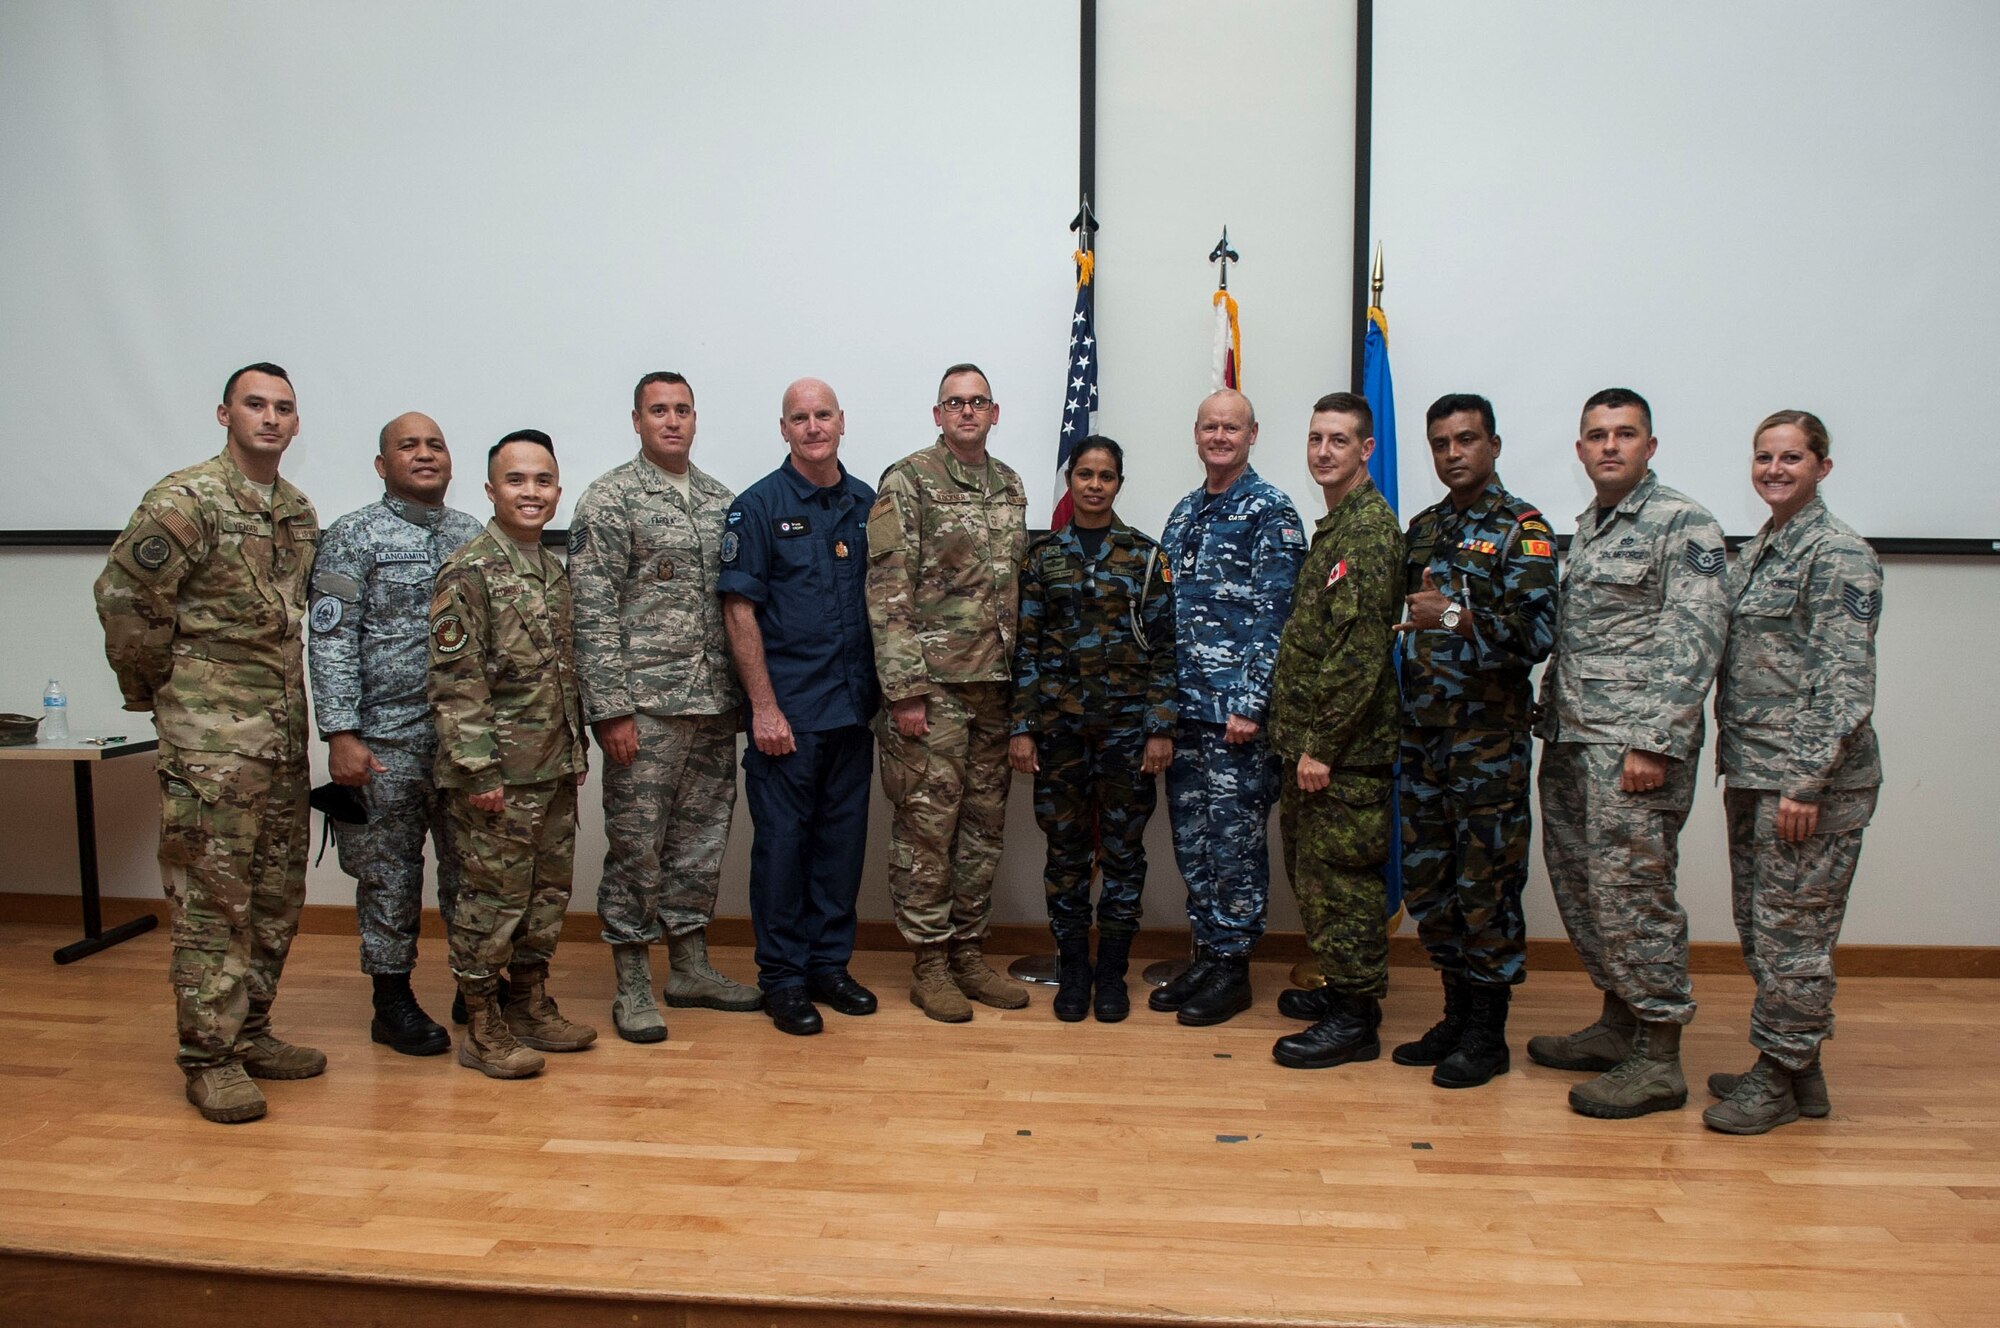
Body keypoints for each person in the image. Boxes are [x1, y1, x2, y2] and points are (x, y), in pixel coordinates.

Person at [95, 362, 323, 1123]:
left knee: (274, 896)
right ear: (224, 413)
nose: (269, 417)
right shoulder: (187, 499)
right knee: (211, 902)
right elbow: (125, 597)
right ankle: (208, 1058)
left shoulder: (295, 511)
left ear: (296, 424)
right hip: (209, 746)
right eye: (255, 404)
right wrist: (160, 693)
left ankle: (251, 1031)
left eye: (283, 408)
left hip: (281, 737)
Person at [1532, 388, 1727, 1119]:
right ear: (1580, 449)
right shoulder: (1588, 529)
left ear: (1650, 445)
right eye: (1596, 435)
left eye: (1625, 434)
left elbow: (1695, 638)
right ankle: (1618, 1025)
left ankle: (1658, 1057)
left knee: (1634, 896)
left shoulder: (1684, 523)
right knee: (1586, 888)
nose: (1609, 446)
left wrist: (1655, 742)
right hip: (1573, 739)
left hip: (1632, 753)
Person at [1704, 410, 1882, 1134]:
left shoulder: (1838, 554)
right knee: (1762, 928)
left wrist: (1806, 782)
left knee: (1794, 939)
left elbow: (1844, 682)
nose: (1775, 470)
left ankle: (1778, 1075)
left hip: (1808, 786)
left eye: (1792, 458)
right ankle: (1800, 1071)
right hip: (1754, 771)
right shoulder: (1765, 550)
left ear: (1822, 467)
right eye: (1764, 458)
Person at [569, 371, 756, 1044]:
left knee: (699, 846)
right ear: (637, 420)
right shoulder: (611, 499)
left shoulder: (720, 501)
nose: (671, 421)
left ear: (695, 418)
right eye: (658, 411)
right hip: (644, 708)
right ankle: (631, 980)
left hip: (711, 705)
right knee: (637, 849)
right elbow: (589, 611)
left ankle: (690, 967)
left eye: (681, 410)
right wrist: (610, 709)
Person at [1385, 394, 1557, 1088]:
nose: (1453, 453)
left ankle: (1488, 1033)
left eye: (1466, 440)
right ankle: (1456, 1013)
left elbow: (1539, 636)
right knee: (1431, 884)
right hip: (1423, 740)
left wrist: (1453, 614)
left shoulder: (1524, 530)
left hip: (1486, 745)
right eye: (1441, 443)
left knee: (1485, 886)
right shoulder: (1423, 529)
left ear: (1493, 445)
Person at [309, 412, 483, 1055]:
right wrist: (340, 733)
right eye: (407, 445)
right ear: (382, 466)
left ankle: (477, 985)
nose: (425, 453)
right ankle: (393, 1001)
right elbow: (330, 640)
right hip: (386, 740)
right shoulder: (354, 536)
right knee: (389, 875)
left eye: (436, 443)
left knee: (474, 870)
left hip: (463, 739)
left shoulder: (473, 536)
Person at [866, 362, 1031, 1022]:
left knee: (983, 832)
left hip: (996, 689)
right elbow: (887, 590)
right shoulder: (906, 481)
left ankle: (968, 952)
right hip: (933, 693)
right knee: (926, 831)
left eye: (978, 402)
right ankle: (929, 962)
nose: (966, 412)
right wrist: (905, 690)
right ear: (938, 415)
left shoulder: (1010, 485)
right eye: (954, 403)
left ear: (995, 412)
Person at [429, 430, 595, 1078]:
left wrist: (574, 753)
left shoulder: (551, 573)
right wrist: (478, 772)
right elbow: (455, 680)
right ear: (492, 490)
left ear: (557, 490)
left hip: (551, 768)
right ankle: (483, 1026)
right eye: (517, 480)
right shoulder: (468, 570)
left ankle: (529, 1004)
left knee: (545, 898)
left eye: (543, 480)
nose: (532, 492)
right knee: (491, 902)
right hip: (498, 776)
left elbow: (561, 674)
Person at [719, 379, 881, 1037]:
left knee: (840, 852)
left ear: (841, 421)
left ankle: (827, 967)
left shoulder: (868, 504)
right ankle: (783, 980)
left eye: (822, 415)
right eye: (799, 418)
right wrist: (763, 709)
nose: (813, 427)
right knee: (784, 852)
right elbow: (738, 610)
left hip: (851, 712)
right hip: (787, 716)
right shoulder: (757, 507)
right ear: (783, 429)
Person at [1151, 389, 1307, 1026]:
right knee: (1193, 841)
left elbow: (1279, 617)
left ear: (1252, 434)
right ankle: (1209, 954)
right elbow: (1161, 615)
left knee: (1235, 846)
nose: (1220, 436)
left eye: (1231, 427)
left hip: (1235, 721)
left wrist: (1250, 703)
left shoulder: (1270, 511)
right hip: (1185, 712)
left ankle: (1234, 968)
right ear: (1195, 434)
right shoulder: (1185, 512)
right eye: (1210, 426)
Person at [1009, 436, 1176, 1023]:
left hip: (1128, 735)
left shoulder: (1146, 556)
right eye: (1085, 474)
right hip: (1058, 736)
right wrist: (1023, 727)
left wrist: (1160, 728)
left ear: (1119, 484)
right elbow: (1025, 650)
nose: (1095, 485)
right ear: (1071, 481)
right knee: (1066, 857)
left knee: (1126, 857)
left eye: (1106, 475)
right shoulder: (1042, 557)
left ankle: (1112, 974)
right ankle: (1074, 970)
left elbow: (1164, 652)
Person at [1266, 394, 1403, 1069]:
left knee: (1344, 884)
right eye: (1317, 438)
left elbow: (1358, 655)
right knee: (1317, 877)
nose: (1324, 451)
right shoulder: (1338, 526)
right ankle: (1342, 993)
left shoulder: (1371, 534)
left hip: (1340, 756)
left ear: (1366, 450)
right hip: (1314, 747)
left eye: (1339, 440)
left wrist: (1320, 746)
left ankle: (1354, 1020)